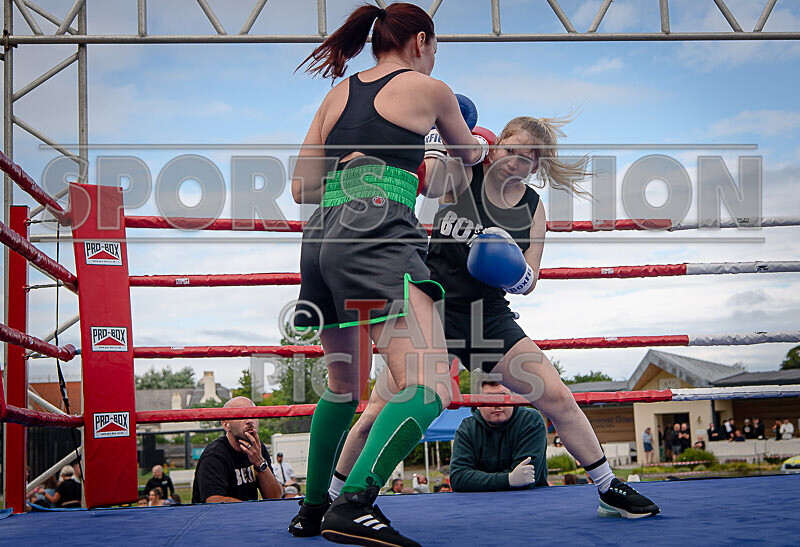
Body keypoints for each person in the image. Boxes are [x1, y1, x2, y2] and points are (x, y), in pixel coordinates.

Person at [329, 113, 660, 522]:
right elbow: (427, 180)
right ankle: (334, 497)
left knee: (556, 395)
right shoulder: (466, 169)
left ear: (535, 166)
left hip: (486, 316)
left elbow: (531, 277)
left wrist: (510, 268)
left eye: (525, 158)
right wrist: (437, 137)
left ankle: (609, 486)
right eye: (509, 150)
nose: (513, 162)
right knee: (379, 411)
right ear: (496, 144)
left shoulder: (533, 209)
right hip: (430, 307)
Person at [287, 4, 488, 545]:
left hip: (322, 238)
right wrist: (475, 142)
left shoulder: (336, 95)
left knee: (344, 387)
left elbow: (301, 188)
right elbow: (468, 156)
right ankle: (354, 502)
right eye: (434, 50)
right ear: (421, 41)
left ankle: (310, 509)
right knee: (432, 383)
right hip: (375, 233)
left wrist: (376, 163)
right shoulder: (432, 88)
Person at [449, 381, 548, 492]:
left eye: (503, 396)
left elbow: (527, 478)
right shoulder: (468, 428)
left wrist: (477, 480)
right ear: (477, 403)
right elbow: (458, 478)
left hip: (529, 502)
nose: (497, 404)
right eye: (489, 398)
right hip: (480, 504)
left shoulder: (530, 421)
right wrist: (508, 479)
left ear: (513, 397)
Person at [191, 396, 282, 503]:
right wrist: (253, 511)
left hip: (247, 517)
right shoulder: (214, 455)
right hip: (218, 518)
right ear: (226, 424)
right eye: (242, 415)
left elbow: (275, 496)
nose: (250, 421)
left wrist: (260, 463)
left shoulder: (258, 449)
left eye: (253, 415)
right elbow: (214, 501)